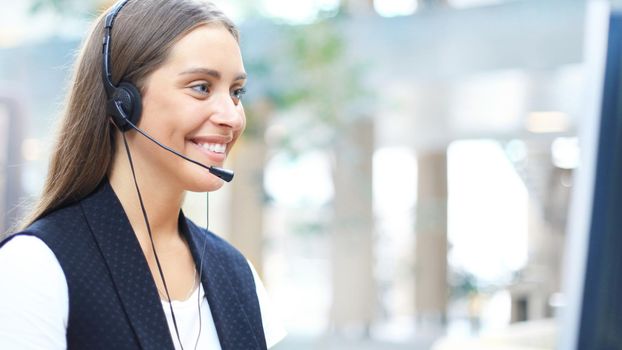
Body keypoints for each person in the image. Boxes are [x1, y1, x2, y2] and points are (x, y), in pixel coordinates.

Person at [0, 0, 286, 349]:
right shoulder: (35, 269)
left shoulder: (237, 275)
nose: (232, 116)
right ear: (122, 103)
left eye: (236, 92)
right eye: (201, 87)